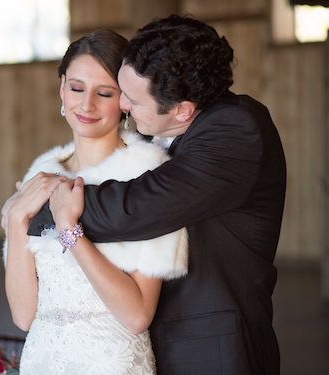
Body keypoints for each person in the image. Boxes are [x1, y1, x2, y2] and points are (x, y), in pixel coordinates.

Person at [25, 15, 286, 375]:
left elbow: (138, 207)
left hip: (210, 351)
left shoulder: (237, 129)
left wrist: (41, 203)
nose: (124, 108)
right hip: (141, 347)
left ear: (183, 110)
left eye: (130, 98)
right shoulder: (152, 131)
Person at [3, 29, 188, 374]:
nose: (86, 105)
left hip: (111, 361)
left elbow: (136, 316)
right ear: (62, 89)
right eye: (76, 88)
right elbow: (24, 316)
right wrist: (16, 220)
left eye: (105, 93)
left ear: (126, 101)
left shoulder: (148, 175)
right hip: (42, 360)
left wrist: (69, 231)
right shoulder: (40, 175)